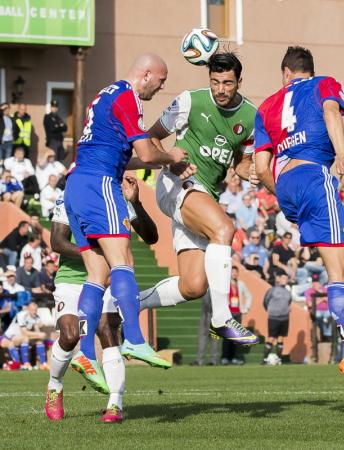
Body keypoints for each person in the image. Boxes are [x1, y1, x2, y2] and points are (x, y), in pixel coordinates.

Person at [254, 46, 344, 391]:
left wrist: (285, 198)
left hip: (285, 182)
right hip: (314, 175)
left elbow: (260, 169)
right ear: (306, 70)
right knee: (339, 270)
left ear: (285, 73)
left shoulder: (266, 106)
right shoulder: (324, 84)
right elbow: (332, 113)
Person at [63, 53, 188, 373]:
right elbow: (146, 153)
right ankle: (133, 337)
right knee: (124, 262)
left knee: (97, 274)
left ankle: (85, 352)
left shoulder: (105, 95)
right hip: (98, 182)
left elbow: (123, 155)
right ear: (146, 74)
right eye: (160, 82)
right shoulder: (127, 96)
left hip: (76, 185)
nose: (160, 89)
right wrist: (171, 156)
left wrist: (159, 159)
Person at [139, 52, 259, 346]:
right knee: (224, 229)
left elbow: (240, 163)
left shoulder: (251, 117)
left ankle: (129, 302)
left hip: (204, 196)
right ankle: (221, 318)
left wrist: (253, 172)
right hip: (175, 182)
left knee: (192, 286)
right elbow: (150, 137)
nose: (221, 89)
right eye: (215, 82)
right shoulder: (190, 101)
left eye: (228, 83)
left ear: (239, 82)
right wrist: (171, 161)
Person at [45, 175, 160, 422]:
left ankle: (115, 404)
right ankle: (55, 386)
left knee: (108, 330)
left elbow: (152, 237)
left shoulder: (119, 198)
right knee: (69, 335)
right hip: (72, 279)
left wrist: (136, 203)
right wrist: (96, 254)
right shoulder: (70, 196)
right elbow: (57, 241)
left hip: (110, 279)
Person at [0, 302, 48, 370]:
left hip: (22, 338)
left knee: (39, 341)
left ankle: (43, 364)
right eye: (32, 310)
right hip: (9, 338)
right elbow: (24, 332)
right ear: (28, 309)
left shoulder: (36, 317)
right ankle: (25, 364)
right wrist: (39, 335)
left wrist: (41, 333)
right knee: (25, 339)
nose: (34, 312)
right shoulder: (21, 315)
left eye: (35, 310)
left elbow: (37, 330)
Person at [221, 266, 253, 365]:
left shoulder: (241, 284)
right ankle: (225, 358)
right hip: (228, 314)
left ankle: (234, 358)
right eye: (233, 272)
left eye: (236, 272)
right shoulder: (225, 284)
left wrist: (246, 308)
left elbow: (248, 296)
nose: (234, 274)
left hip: (237, 313)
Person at [262, 270, 291, 364]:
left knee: (281, 338)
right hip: (274, 318)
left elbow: (289, 302)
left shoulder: (287, 291)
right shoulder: (272, 290)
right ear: (278, 279)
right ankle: (264, 359)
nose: (285, 280)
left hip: (285, 318)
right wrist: (271, 311)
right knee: (271, 338)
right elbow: (265, 301)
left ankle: (279, 359)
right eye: (283, 278)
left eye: (286, 278)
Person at [192, 292, 220, 366]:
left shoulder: (214, 287)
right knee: (202, 337)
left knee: (213, 338)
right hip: (205, 315)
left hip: (212, 316)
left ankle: (213, 361)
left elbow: (209, 303)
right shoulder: (207, 287)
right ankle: (199, 360)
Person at [304, 273, 331, 341]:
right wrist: (322, 299)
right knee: (319, 316)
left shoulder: (325, 290)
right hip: (315, 311)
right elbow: (310, 304)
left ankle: (327, 335)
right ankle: (326, 335)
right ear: (312, 283)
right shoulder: (308, 291)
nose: (315, 283)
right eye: (314, 282)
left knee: (330, 316)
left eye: (317, 282)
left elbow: (331, 301)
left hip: (327, 310)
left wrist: (320, 292)